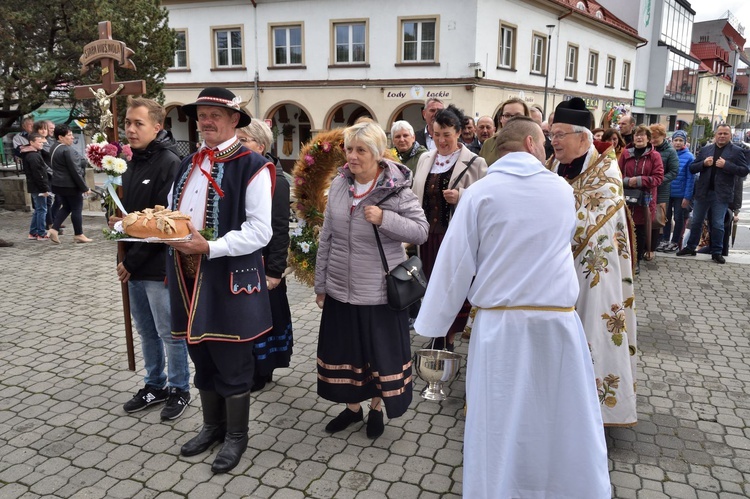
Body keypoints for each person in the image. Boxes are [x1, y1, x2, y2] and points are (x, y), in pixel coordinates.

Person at [415, 117, 610, 498]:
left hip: (499, 326)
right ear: (530, 143)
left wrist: (434, 323)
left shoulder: (480, 193)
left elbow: (455, 265)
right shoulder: (561, 190)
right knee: (558, 415)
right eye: (546, 142)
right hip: (557, 323)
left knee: (498, 419)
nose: (550, 149)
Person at [165, 87, 275, 473]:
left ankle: (236, 436)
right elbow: (172, 215)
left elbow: (261, 232)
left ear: (234, 121)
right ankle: (212, 426)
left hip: (228, 276)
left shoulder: (252, 164)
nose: (207, 121)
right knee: (201, 354)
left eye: (215, 114)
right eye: (202, 114)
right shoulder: (189, 162)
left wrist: (209, 247)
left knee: (232, 359)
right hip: (185, 275)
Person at [314, 120, 428, 439]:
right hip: (340, 289)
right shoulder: (339, 185)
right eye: (349, 149)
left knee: (377, 355)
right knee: (346, 354)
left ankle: (376, 407)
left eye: (360, 150)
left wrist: (385, 219)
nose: (352, 156)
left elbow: (421, 230)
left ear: (378, 154)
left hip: (379, 293)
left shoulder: (394, 188)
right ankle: (353, 409)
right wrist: (321, 285)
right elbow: (327, 237)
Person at [546, 97, 638, 427]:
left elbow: (588, 222)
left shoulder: (606, 174)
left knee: (591, 330)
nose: (553, 140)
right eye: (551, 134)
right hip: (553, 272)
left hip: (592, 273)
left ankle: (591, 412)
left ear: (583, 137)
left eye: (560, 134)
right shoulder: (552, 165)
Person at [110, 98, 191, 420]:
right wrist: (116, 222)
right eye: (128, 123)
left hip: (157, 267)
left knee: (169, 332)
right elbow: (131, 217)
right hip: (132, 266)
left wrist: (131, 262)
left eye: (138, 123)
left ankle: (179, 388)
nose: (130, 129)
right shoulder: (130, 162)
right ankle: (154, 384)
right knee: (145, 331)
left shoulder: (169, 162)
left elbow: (164, 223)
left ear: (157, 127)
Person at [412, 105, 488, 351]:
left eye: (446, 134)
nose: (441, 140)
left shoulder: (475, 162)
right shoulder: (425, 158)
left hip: (454, 238)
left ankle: (449, 337)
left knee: (453, 286)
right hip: (427, 238)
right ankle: (435, 331)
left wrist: (462, 195)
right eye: (436, 134)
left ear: (458, 132)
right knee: (432, 286)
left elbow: (487, 200)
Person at [236, 119, 293, 392]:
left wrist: (274, 271)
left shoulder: (276, 180)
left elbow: (281, 230)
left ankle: (263, 371)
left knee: (266, 318)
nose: (238, 144)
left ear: (260, 145)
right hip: (244, 258)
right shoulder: (242, 172)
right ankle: (250, 367)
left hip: (265, 263)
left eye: (244, 139)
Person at [677, 124, 749, 263]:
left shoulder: (736, 151)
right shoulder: (706, 150)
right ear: (716, 135)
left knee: (717, 224)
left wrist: (727, 165)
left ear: (730, 135)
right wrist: (703, 163)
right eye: (720, 133)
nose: (722, 136)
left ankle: (717, 252)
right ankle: (691, 247)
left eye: (725, 134)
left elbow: (744, 170)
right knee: (696, 221)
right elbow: (692, 168)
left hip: (721, 194)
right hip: (703, 192)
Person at [619, 125, 664, 271]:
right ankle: (624, 260)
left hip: (645, 200)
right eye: (636, 135)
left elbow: (658, 178)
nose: (639, 138)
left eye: (642, 135)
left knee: (640, 231)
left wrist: (638, 180)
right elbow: (617, 174)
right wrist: (627, 181)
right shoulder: (625, 153)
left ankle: (636, 261)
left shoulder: (654, 156)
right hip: (627, 198)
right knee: (624, 230)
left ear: (648, 138)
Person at [47, 124, 92, 244]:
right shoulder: (67, 149)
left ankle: (54, 229)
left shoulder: (54, 147)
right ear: (60, 137)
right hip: (70, 185)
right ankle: (79, 234)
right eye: (69, 135)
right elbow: (75, 170)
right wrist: (84, 187)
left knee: (66, 207)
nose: (72, 138)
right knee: (76, 208)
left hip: (58, 184)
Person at [660, 129, 695, 252]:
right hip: (667, 192)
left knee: (679, 218)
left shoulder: (689, 157)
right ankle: (664, 240)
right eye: (676, 140)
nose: (678, 143)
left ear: (685, 142)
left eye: (681, 140)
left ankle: (675, 241)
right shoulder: (669, 154)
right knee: (666, 217)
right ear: (672, 141)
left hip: (681, 194)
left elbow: (691, 179)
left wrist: (687, 196)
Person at [650, 125, 679, 253]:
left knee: (657, 218)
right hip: (646, 188)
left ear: (663, 136)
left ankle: (654, 246)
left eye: (656, 137)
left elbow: (673, 172)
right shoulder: (647, 149)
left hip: (661, 190)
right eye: (651, 137)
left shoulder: (670, 152)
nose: (653, 140)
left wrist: (658, 181)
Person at [479, 97, 530, 166]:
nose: (512, 119)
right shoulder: (488, 144)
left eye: (518, 115)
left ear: (526, 118)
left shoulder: (533, 143)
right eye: (507, 115)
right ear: (501, 119)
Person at [20, 133, 50, 241]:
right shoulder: (33, 156)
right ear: (32, 142)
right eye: (39, 142)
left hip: (35, 187)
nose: (41, 144)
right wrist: (44, 189)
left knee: (38, 209)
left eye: (42, 142)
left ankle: (33, 232)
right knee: (42, 209)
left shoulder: (31, 154)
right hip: (38, 187)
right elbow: (38, 174)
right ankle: (41, 233)